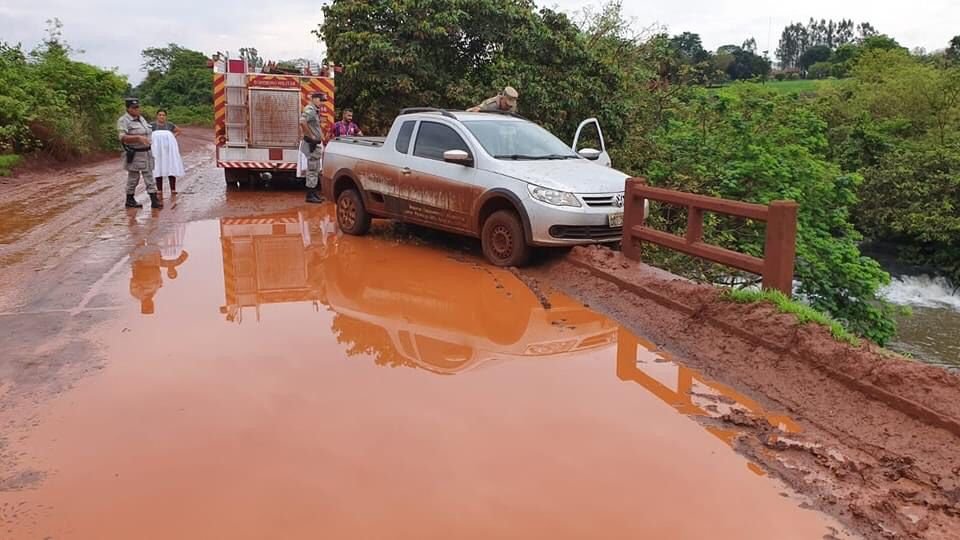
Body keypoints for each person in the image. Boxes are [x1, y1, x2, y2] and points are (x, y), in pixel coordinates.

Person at [117, 98, 161, 209]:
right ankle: (130, 199)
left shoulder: (141, 119)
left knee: (149, 177)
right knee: (133, 178)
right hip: (135, 153)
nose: (137, 109)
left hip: (146, 153)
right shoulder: (124, 120)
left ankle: (154, 200)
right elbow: (122, 137)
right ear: (128, 108)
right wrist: (137, 138)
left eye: (138, 107)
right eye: (134, 108)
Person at [299, 91, 327, 204]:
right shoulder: (310, 110)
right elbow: (302, 121)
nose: (321, 103)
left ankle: (313, 193)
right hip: (312, 144)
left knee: (315, 169)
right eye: (320, 100)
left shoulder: (314, 110)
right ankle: (310, 195)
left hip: (315, 144)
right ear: (314, 99)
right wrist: (310, 136)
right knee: (312, 169)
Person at [150, 109, 183, 194]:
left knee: (170, 166)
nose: (161, 116)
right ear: (157, 116)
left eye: (163, 115)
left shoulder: (169, 125)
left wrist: (172, 137)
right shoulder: (152, 125)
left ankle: (173, 189)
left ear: (166, 116)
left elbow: (179, 131)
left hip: (168, 150)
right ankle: (159, 190)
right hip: (157, 150)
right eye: (160, 115)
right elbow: (146, 133)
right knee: (158, 167)